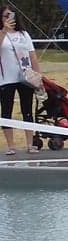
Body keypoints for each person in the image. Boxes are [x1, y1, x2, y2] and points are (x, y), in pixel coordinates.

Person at [1, 8, 40, 155]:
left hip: (25, 76)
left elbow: (32, 56)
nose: (9, 18)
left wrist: (37, 76)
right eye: (6, 16)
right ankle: (11, 146)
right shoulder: (1, 34)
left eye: (11, 16)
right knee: (6, 110)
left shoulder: (24, 34)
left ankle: (30, 144)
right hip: (6, 78)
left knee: (27, 110)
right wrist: (4, 30)